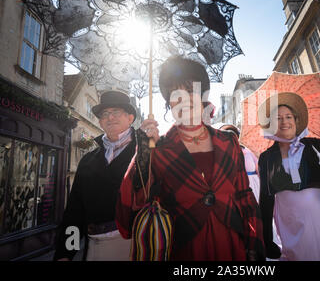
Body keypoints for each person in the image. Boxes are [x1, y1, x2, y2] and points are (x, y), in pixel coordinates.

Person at [115, 56, 265, 261]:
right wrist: (143, 153)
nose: (184, 100)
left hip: (232, 246)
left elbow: (245, 196)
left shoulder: (228, 142)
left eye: (190, 91)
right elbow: (127, 216)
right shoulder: (158, 149)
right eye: (176, 94)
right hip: (183, 250)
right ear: (169, 102)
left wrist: (254, 245)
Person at [257, 92, 320, 261]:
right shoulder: (266, 158)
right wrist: (266, 240)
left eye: (288, 116)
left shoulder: (318, 146)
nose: (284, 122)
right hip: (291, 222)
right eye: (278, 118)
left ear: (296, 120)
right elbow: (266, 200)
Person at [54, 90, 138, 261]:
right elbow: (75, 212)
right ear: (100, 121)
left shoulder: (146, 153)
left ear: (130, 118)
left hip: (134, 245)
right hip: (95, 246)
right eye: (105, 114)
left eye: (116, 112)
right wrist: (66, 253)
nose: (110, 117)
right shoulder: (88, 160)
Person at [219, 124, 260, 203]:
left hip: (254, 186)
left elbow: (258, 168)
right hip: (236, 188)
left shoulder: (247, 151)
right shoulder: (223, 155)